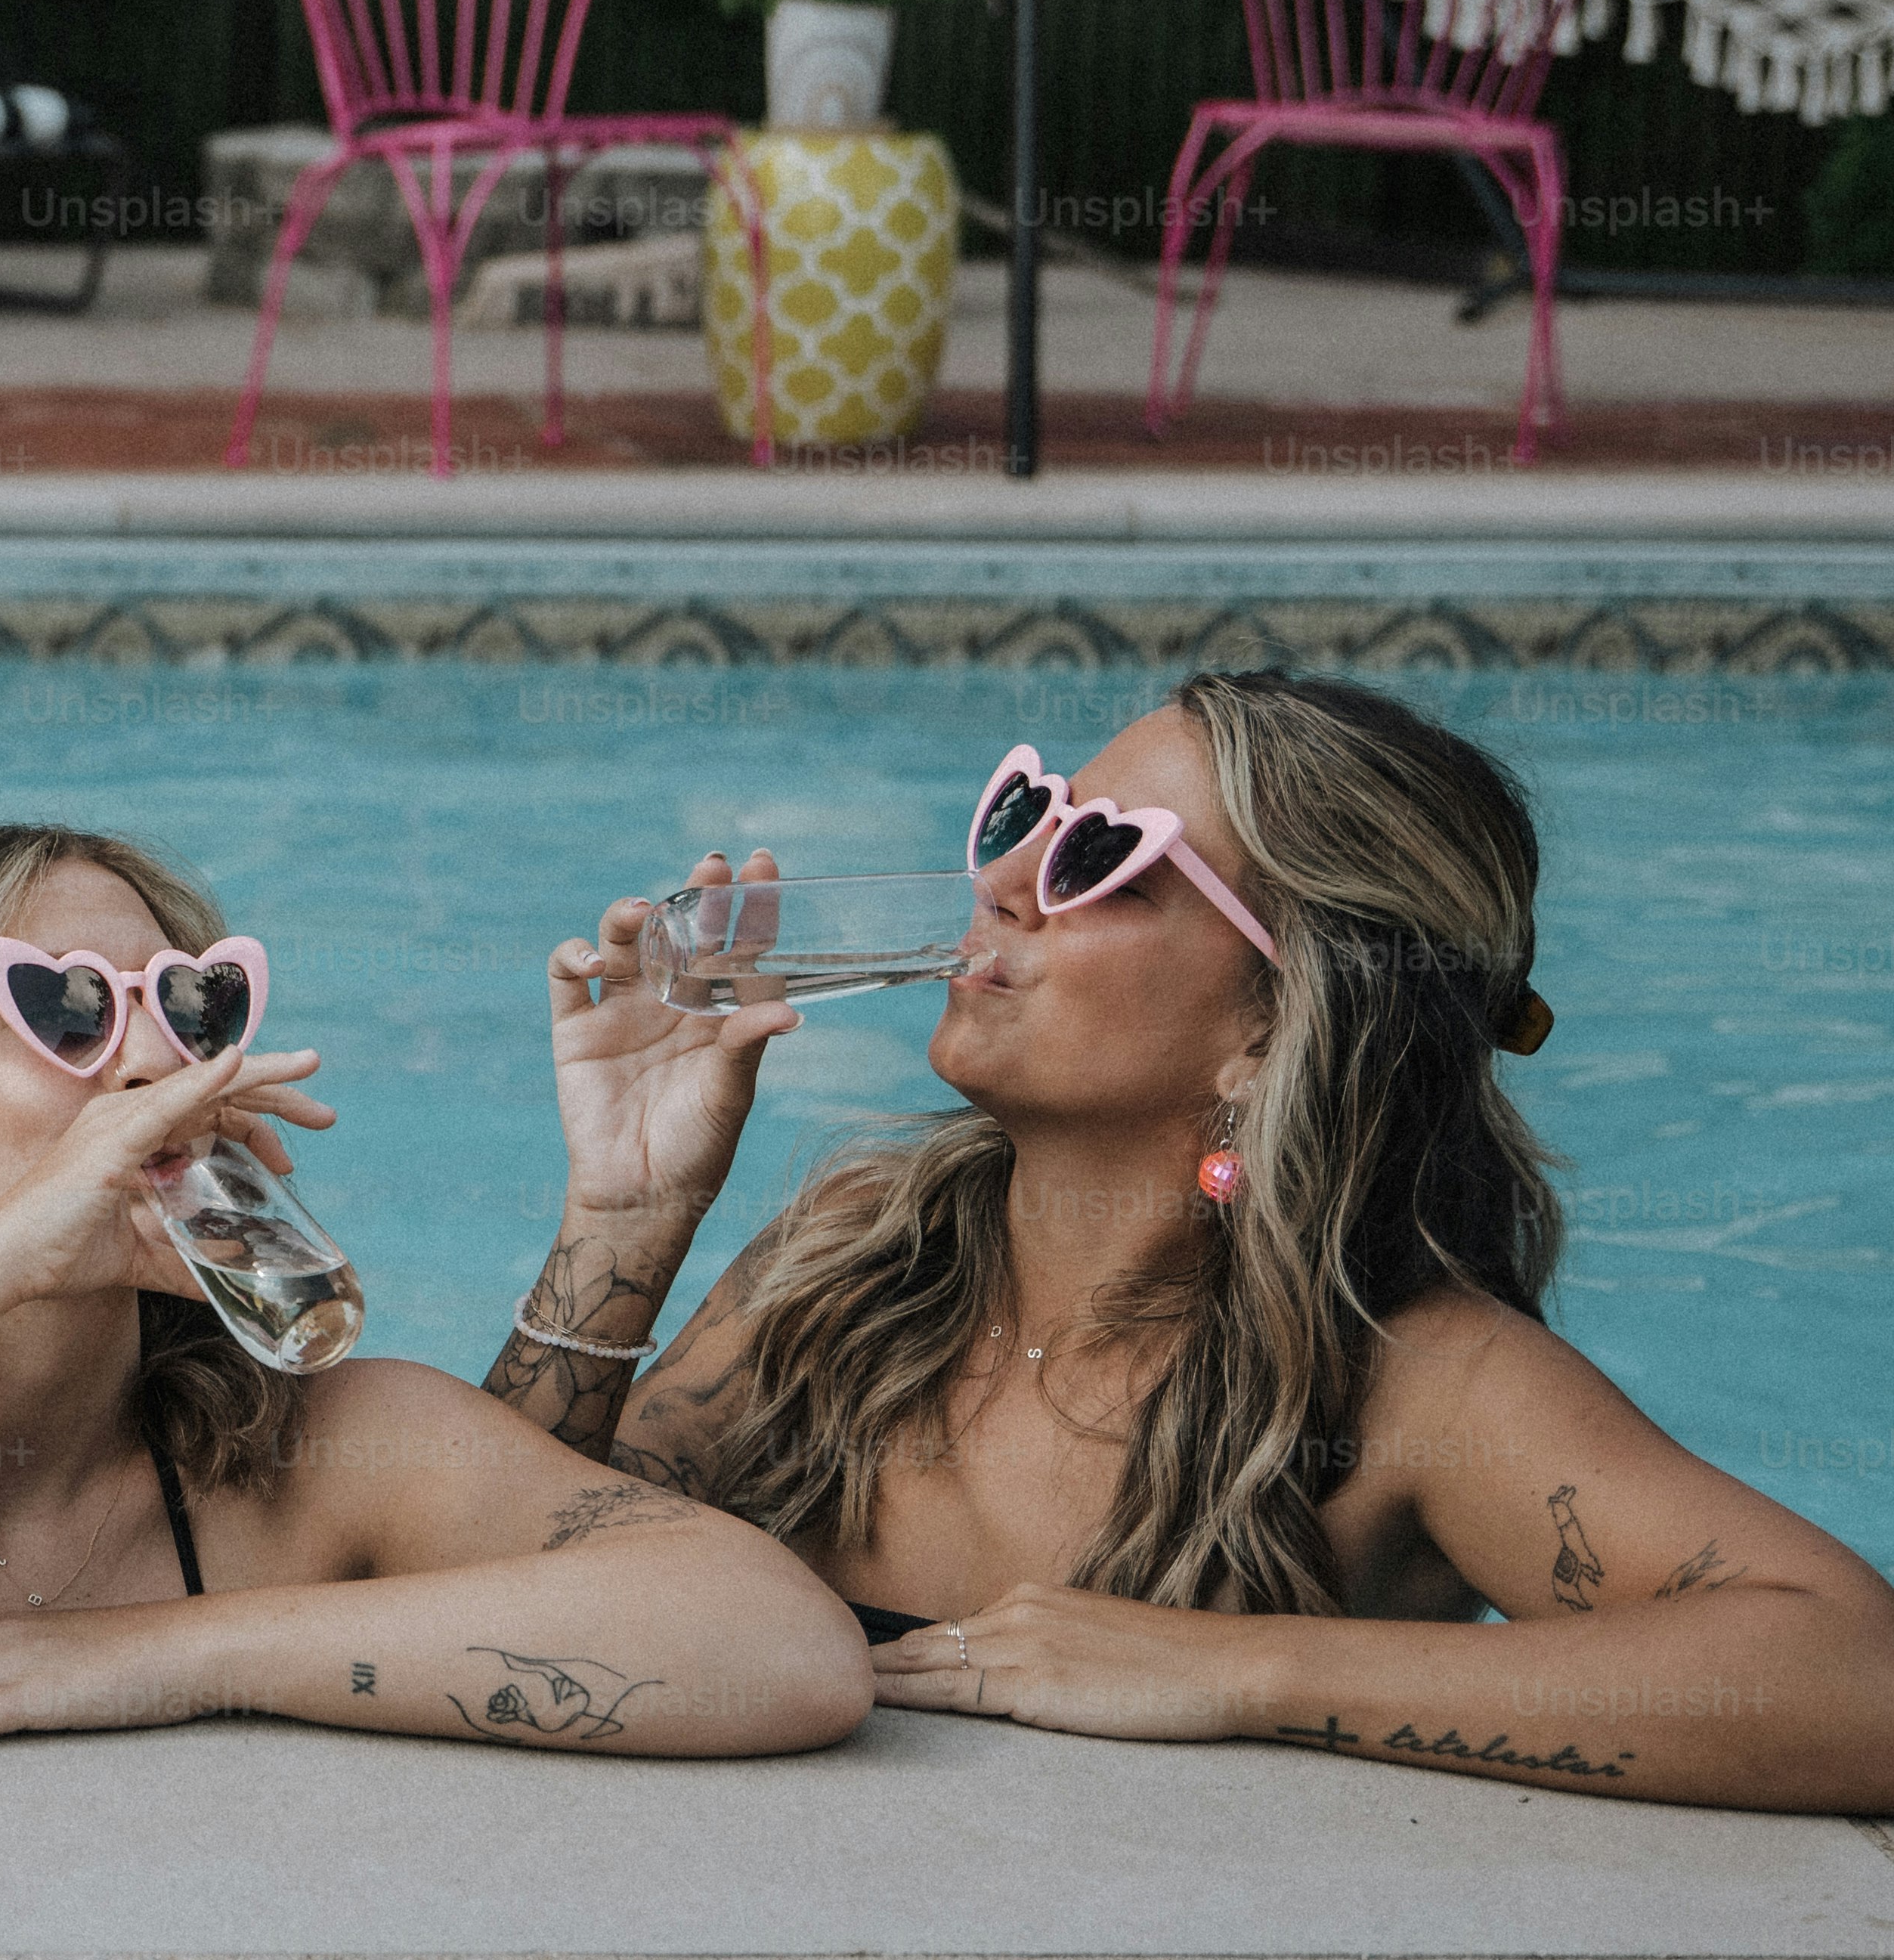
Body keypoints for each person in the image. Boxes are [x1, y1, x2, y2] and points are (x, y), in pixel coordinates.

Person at [485, 669, 1894, 1811]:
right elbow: (485, 1565)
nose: (1004, 878)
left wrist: (1238, 1671)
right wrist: (624, 1219)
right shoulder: (857, 1261)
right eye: (1025, 813)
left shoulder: (1416, 1383)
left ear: (1273, 1022)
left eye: (1102, 860)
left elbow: (1855, 1681)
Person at [0, 822, 870, 1760]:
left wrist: (160, 1658)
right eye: (70, 1009)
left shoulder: (314, 1449)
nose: (155, 1065)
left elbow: (780, 1650)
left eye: (192, 1006)